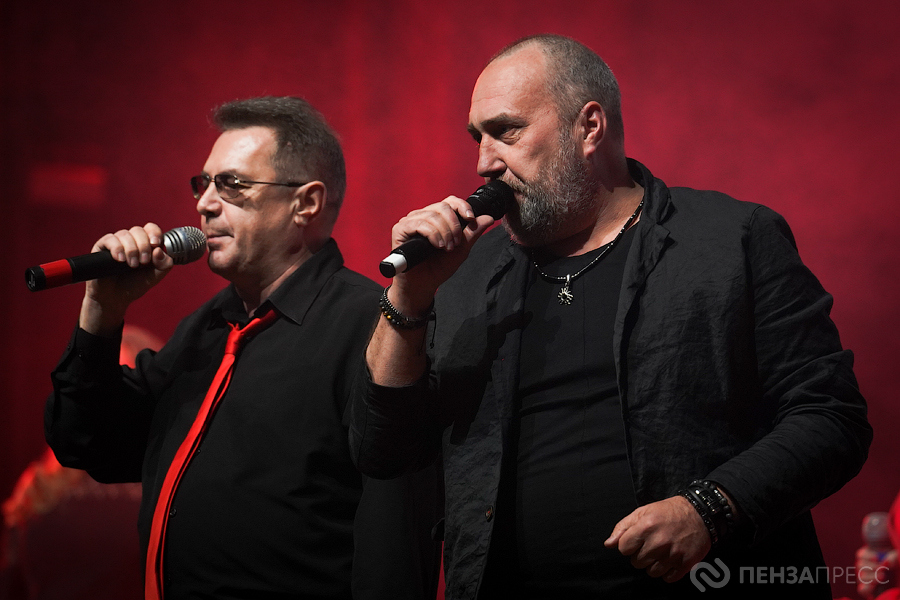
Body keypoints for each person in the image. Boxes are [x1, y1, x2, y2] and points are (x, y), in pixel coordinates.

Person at [349, 34, 872, 599]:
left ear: (589, 127)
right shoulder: (464, 275)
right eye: (478, 138)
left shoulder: (732, 240)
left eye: (507, 132)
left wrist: (710, 508)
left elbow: (831, 416)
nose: (484, 163)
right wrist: (408, 298)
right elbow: (384, 450)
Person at [45, 96, 441, 599]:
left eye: (231, 185)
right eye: (203, 184)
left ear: (306, 203)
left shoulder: (369, 326)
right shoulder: (207, 327)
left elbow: (395, 534)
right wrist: (102, 311)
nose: (205, 204)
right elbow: (90, 444)